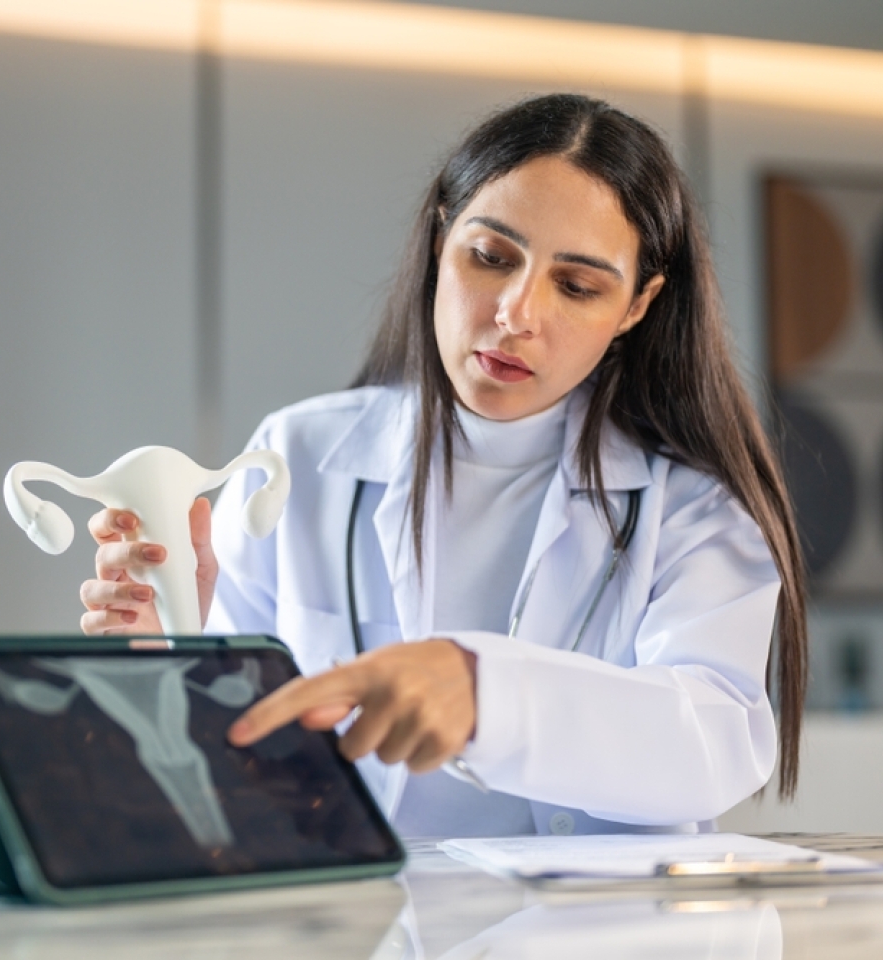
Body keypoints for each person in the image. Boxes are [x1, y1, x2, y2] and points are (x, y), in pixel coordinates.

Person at [79, 94, 807, 837]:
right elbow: (233, 762)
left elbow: (715, 742)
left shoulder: (690, 504)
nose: (517, 314)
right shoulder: (297, 458)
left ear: (637, 305)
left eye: (578, 286)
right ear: (439, 241)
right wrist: (170, 654)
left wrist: (485, 693)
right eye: (490, 258)